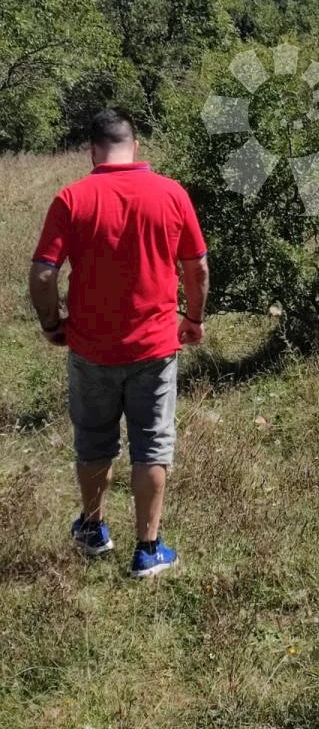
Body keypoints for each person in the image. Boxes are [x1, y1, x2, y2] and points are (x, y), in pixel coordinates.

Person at [29, 108, 209, 578]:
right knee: (151, 444)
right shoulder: (171, 193)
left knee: (94, 439)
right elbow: (197, 267)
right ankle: (148, 550)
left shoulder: (72, 198)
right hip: (154, 345)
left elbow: (44, 271)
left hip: (91, 347)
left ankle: (93, 529)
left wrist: (52, 323)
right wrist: (193, 317)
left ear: (93, 150)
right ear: (137, 147)